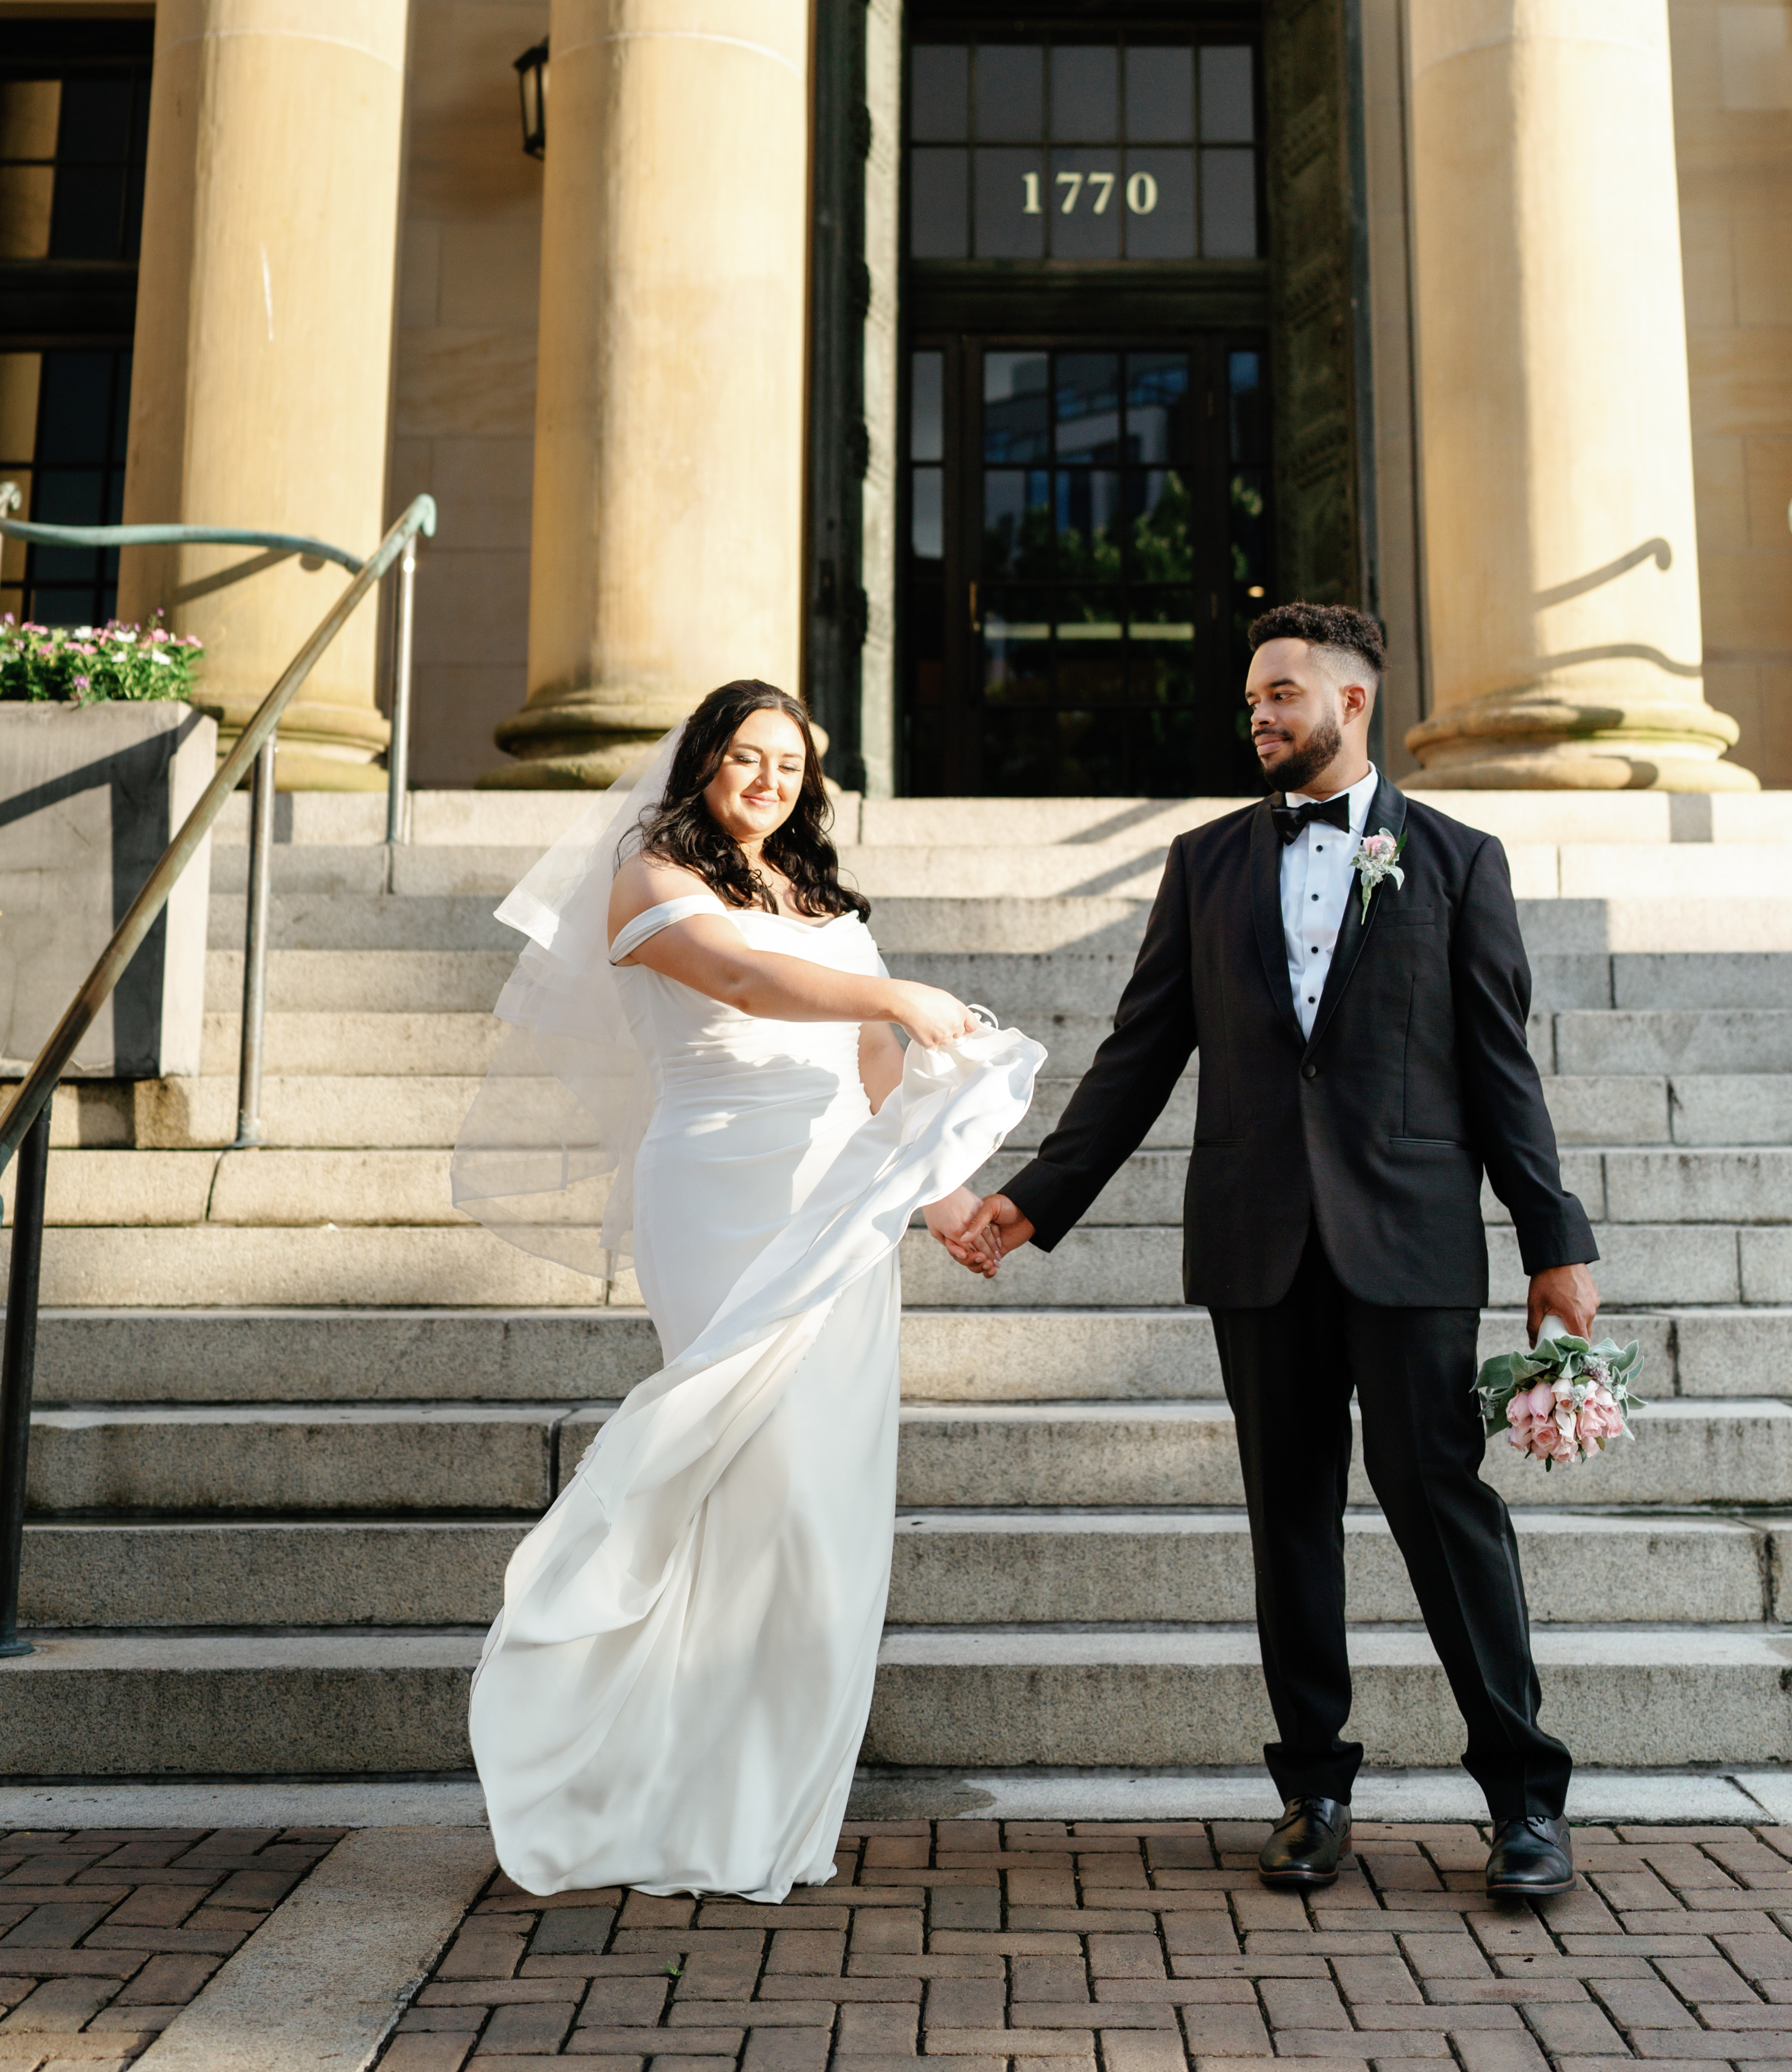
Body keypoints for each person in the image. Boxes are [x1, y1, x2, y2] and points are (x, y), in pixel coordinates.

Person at [942, 600, 1599, 1901]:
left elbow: (1498, 1070)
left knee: (1444, 1515)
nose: (1257, 713)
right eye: (1251, 696)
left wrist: (1551, 1243)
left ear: (1349, 704)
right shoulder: (1203, 866)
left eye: (1280, 694)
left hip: (1408, 1245)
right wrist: (1035, 1200)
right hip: (1257, 1247)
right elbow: (1139, 1057)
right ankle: (1312, 1791)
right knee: (1285, 1523)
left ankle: (1523, 1800)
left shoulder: (1458, 860)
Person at [454, 680, 1038, 1903]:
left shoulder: (815, 899)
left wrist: (941, 1204)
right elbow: (743, 983)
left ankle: (766, 1799)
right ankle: (637, 1767)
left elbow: (874, 1068)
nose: (770, 779)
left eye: (791, 763)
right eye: (747, 755)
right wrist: (892, 990)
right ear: (702, 762)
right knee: (743, 1483)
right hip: (722, 1190)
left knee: (820, 1510)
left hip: (843, 1206)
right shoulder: (649, 878)